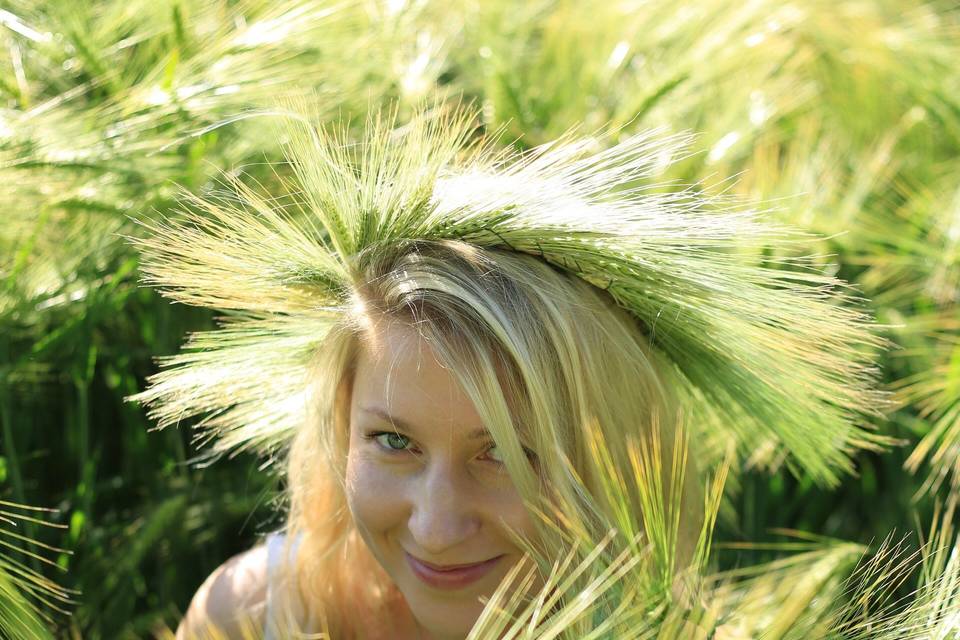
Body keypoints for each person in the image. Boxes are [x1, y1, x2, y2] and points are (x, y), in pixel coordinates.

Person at [134, 103, 881, 638]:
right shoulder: (251, 615)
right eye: (394, 443)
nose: (436, 524)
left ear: (617, 458)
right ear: (338, 427)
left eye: (509, 454)